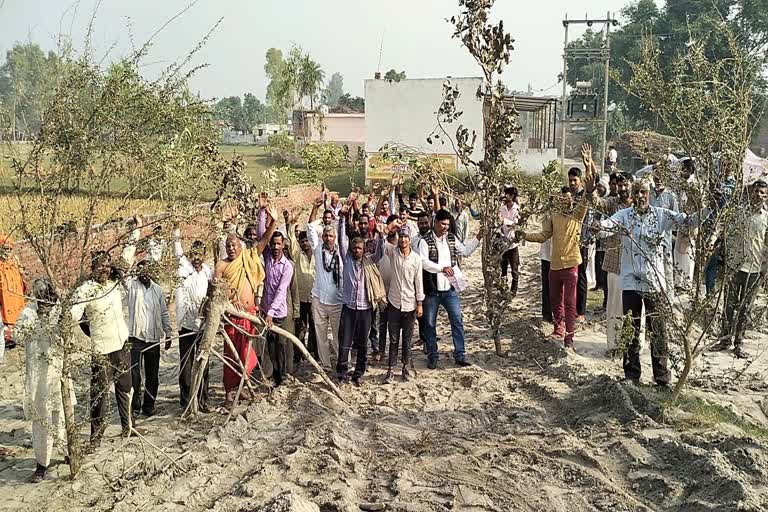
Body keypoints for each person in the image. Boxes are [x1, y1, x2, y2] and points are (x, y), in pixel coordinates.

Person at [595, 179, 687, 386]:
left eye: (643, 192)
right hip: (630, 283)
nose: (639, 196)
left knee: (658, 330)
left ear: (648, 194)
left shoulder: (660, 215)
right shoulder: (625, 216)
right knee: (631, 329)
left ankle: (662, 377)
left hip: (654, 282)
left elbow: (686, 221)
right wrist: (596, 226)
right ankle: (631, 375)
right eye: (636, 192)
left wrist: (708, 208)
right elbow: (607, 226)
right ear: (632, 195)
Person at [519, 144, 596, 350]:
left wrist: (588, 167)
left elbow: (587, 194)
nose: (566, 199)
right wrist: (523, 234)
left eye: (569, 197)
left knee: (570, 303)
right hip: (554, 266)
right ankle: (558, 328)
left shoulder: (578, 215)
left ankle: (569, 337)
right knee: (555, 301)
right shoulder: (554, 216)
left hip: (571, 265)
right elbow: (544, 235)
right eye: (563, 198)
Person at [214, 206, 278, 406]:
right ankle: (229, 392)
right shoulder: (221, 265)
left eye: (234, 245)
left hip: (249, 316)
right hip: (232, 317)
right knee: (231, 355)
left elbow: (264, 241)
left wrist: (273, 221)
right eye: (228, 245)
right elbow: (216, 292)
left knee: (247, 356)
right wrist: (231, 303)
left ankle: (243, 387)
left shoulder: (248, 256)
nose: (231, 248)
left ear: (240, 246)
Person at [71, 248, 133, 449]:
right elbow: (74, 314)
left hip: (121, 343)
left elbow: (126, 256)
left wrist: (137, 229)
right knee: (100, 394)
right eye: (100, 266)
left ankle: (128, 427)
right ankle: (95, 438)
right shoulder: (86, 289)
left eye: (107, 265)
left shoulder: (114, 283)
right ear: (93, 268)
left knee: (125, 388)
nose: (105, 269)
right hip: (101, 349)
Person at [16, 279, 70, 483]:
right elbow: (19, 335)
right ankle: (42, 464)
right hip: (38, 379)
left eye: (50, 300)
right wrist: (39, 320)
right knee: (41, 422)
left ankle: (67, 451)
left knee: (62, 416)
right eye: (44, 300)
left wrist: (60, 318)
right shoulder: (28, 312)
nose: (48, 304)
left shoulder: (58, 311)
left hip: (58, 375)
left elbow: (67, 337)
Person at [418, 209, 482, 368]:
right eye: (443, 224)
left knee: (457, 320)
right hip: (432, 290)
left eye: (448, 224)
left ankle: (460, 353)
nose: (446, 227)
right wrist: (442, 268)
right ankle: (433, 355)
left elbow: (466, 251)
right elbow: (424, 262)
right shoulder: (425, 241)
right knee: (430, 324)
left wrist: (478, 237)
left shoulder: (452, 239)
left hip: (450, 289)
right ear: (436, 222)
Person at [715, 180, 768, 358]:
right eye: (756, 191)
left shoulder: (766, 217)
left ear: (766, 195)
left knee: (746, 308)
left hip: (754, 269)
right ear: (751, 193)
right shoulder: (738, 213)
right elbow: (727, 236)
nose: (758, 195)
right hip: (734, 266)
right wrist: (724, 261)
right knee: (729, 305)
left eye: (762, 192)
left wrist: (764, 269)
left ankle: (739, 343)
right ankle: (724, 339)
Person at [336, 210, 386, 385]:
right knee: (345, 342)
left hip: (365, 309)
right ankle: (342, 374)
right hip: (349, 308)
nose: (356, 250)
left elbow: (380, 251)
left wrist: (380, 235)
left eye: (359, 248)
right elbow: (341, 242)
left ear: (364, 250)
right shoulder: (347, 259)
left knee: (363, 344)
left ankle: (358, 374)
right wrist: (342, 220)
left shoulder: (370, 261)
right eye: (354, 248)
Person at [125, 259, 172, 417]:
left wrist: (168, 332)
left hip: (153, 339)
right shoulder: (132, 287)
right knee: (135, 376)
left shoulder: (157, 290)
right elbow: (123, 272)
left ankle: (149, 405)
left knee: (152, 375)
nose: (144, 274)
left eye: (147, 270)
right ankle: (135, 408)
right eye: (141, 271)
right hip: (136, 338)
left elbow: (164, 312)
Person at [173, 229, 213, 413]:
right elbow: (177, 249)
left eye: (200, 254)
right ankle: (186, 400)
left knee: (203, 363)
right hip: (186, 326)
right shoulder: (184, 270)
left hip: (204, 326)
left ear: (204, 255)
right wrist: (176, 229)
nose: (196, 258)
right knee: (187, 365)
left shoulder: (208, 272)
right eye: (194, 254)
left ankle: (203, 399)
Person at [384, 225, 424, 382]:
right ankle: (391, 369)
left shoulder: (416, 259)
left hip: (410, 303)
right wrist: (389, 229)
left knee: (407, 339)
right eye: (401, 237)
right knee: (393, 339)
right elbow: (382, 242)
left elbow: (418, 282)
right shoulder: (393, 253)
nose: (403, 239)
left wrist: (420, 303)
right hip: (394, 302)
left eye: (406, 237)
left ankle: (406, 367)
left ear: (410, 239)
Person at [306, 218, 344, 370]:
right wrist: (316, 211)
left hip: (337, 301)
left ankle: (342, 361)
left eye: (331, 236)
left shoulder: (342, 250)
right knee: (321, 335)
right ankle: (326, 364)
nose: (328, 238)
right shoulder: (318, 249)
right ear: (322, 237)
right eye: (326, 235)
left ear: (335, 238)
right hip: (319, 299)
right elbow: (309, 228)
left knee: (338, 336)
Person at [286, 215, 318, 361]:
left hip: (315, 298)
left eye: (307, 241)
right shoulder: (297, 255)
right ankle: (299, 354)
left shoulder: (318, 256)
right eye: (302, 241)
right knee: (300, 327)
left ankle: (316, 353)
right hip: (300, 298)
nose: (305, 243)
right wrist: (290, 224)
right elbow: (291, 240)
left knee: (315, 326)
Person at [568, 167, 589, 321]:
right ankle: (570, 309)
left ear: (580, 180)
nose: (572, 183)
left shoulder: (584, 197)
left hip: (582, 241)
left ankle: (580, 312)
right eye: (570, 180)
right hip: (568, 242)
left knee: (580, 275)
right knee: (569, 276)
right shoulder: (567, 196)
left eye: (575, 180)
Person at [0, 235, 26, 358]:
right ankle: (8, 339)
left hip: (17, 292)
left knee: (19, 314)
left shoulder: (14, 260)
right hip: (5, 296)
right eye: (5, 249)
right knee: (7, 316)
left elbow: (22, 275)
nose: (8, 251)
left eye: (9, 249)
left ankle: (19, 335)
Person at [499, 186, 521, 296]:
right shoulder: (501, 209)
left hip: (512, 245)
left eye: (506, 194)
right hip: (502, 245)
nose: (504, 196)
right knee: (503, 270)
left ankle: (513, 292)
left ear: (511, 196)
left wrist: (504, 220)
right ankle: (503, 290)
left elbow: (515, 224)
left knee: (514, 270)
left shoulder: (517, 209)